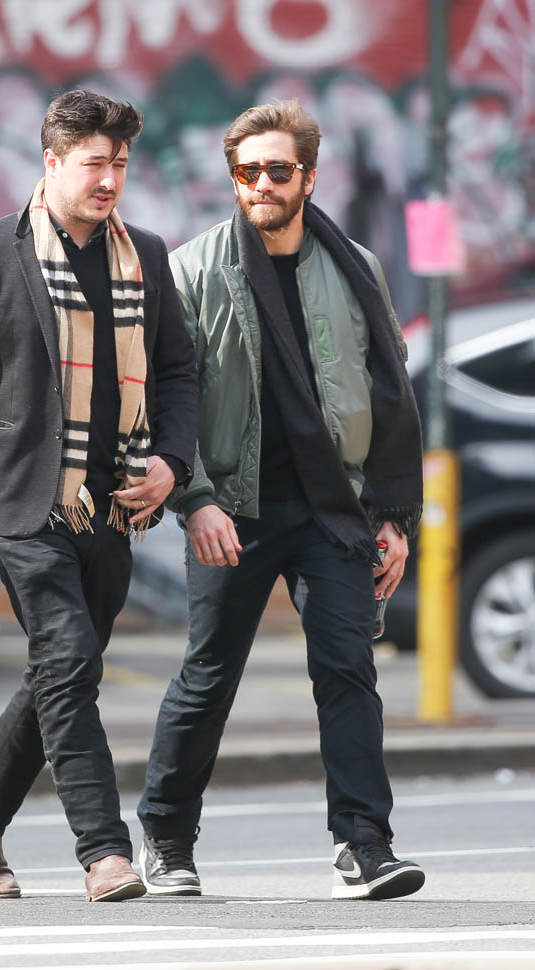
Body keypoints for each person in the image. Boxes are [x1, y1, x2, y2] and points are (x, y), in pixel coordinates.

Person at [0, 89, 197, 903]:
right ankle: (104, 851)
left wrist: (171, 460)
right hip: (24, 498)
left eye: (120, 164)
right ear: (52, 161)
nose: (110, 179)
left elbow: (177, 371)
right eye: (95, 163)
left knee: (65, 670)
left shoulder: (146, 255)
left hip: (118, 502)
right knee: (66, 658)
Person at [137, 99, 425, 902]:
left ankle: (363, 844)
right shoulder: (193, 270)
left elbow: (390, 391)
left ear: (309, 177)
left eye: (277, 170)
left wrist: (393, 516)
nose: (260, 183)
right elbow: (167, 401)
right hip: (232, 506)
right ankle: (166, 836)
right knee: (209, 674)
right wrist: (195, 500)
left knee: (347, 668)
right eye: (246, 171)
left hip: (334, 509)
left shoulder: (356, 267)